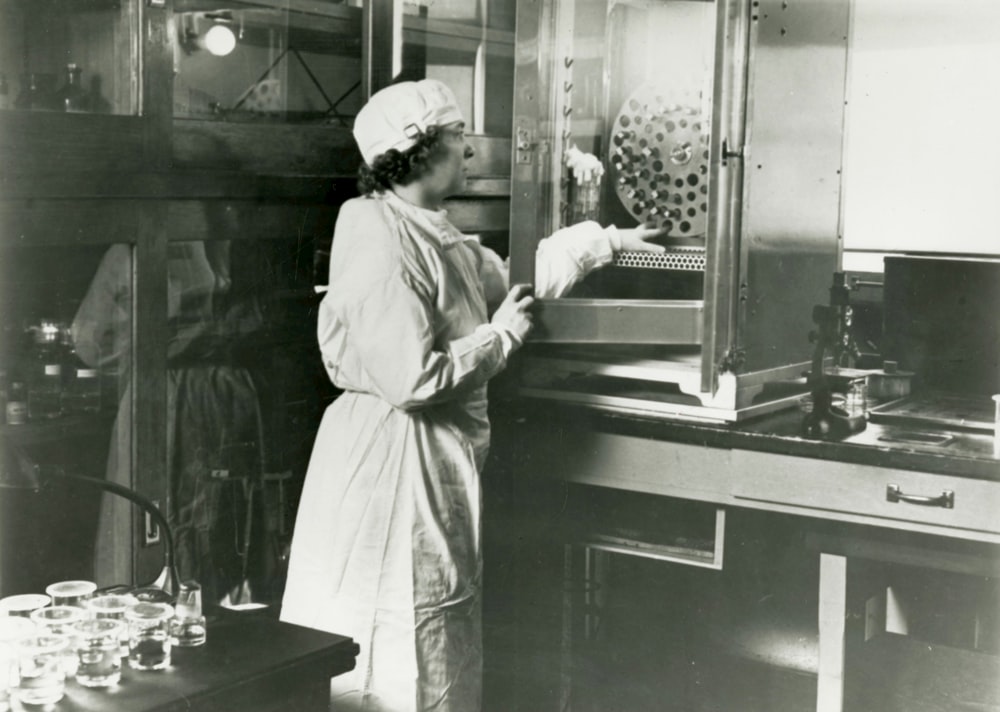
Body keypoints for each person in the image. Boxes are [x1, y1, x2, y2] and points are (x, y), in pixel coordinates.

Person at [278, 79, 665, 712]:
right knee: (387, 629)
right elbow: (411, 378)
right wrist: (499, 339)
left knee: (428, 622)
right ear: (421, 150)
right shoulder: (377, 236)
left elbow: (516, 283)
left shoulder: (435, 231)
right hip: (389, 460)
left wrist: (611, 241)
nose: (470, 152)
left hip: (431, 457)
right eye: (458, 137)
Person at [72, 237, 276, 604]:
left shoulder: (237, 243)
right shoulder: (133, 251)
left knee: (224, 519)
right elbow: (89, 339)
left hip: (222, 397)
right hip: (168, 399)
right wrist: (158, 349)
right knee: (164, 518)